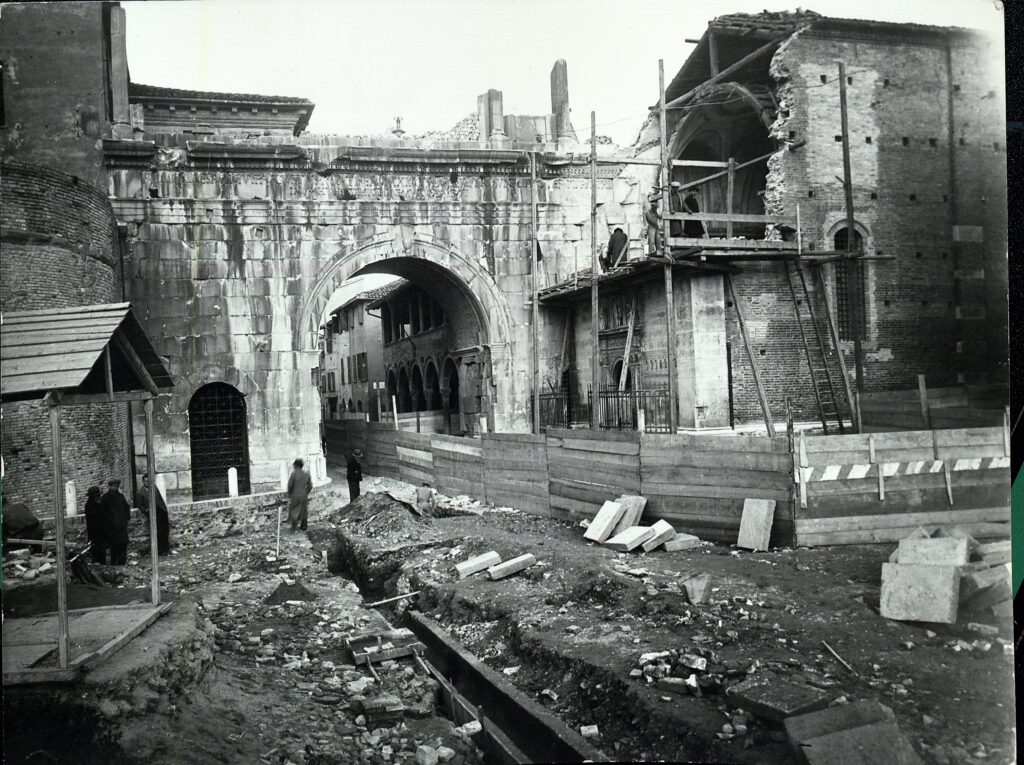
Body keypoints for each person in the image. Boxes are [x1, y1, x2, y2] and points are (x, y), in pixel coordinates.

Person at [135, 474, 170, 555]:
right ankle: (160, 551)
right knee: (157, 532)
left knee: (164, 531)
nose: (147, 483)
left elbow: (160, 499)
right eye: (146, 481)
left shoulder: (154, 488)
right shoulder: (140, 493)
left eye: (149, 481)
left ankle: (166, 549)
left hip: (161, 512)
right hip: (152, 514)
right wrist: (147, 511)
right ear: (143, 481)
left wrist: (164, 510)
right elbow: (140, 506)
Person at [101, 479, 131, 565]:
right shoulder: (105, 498)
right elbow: (102, 513)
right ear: (109, 487)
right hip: (112, 529)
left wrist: (126, 518)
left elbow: (126, 507)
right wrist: (106, 525)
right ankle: (114, 564)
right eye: (113, 486)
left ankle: (122, 564)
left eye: (116, 486)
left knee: (123, 545)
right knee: (114, 547)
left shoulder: (121, 496)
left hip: (121, 527)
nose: (115, 488)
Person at [83, 485, 108, 564]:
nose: (98, 498)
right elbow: (95, 521)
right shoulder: (90, 506)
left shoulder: (94, 504)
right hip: (95, 534)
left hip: (98, 534)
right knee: (97, 552)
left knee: (100, 552)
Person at [287, 458, 313, 531]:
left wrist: (290, 493)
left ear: (296, 466)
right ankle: (304, 526)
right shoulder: (306, 474)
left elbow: (290, 485)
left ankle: (294, 526)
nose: (293, 467)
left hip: (295, 494)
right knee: (304, 510)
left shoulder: (294, 474)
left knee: (294, 509)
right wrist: (305, 492)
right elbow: (310, 486)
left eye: (294, 465)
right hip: (304, 494)